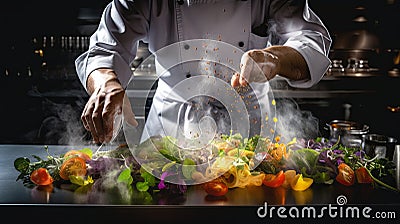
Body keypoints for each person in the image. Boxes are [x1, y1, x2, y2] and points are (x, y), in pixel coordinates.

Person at [75, 0, 332, 144]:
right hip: (168, 132)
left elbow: (309, 38)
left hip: (250, 133)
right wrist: (106, 83)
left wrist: (274, 59)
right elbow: (105, 49)